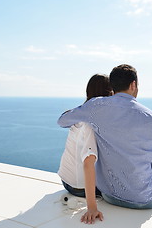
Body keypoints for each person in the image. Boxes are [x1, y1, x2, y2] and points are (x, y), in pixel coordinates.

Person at [58, 64, 152, 211]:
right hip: (144, 198)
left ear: (112, 85)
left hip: (110, 195)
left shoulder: (96, 107)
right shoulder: (151, 117)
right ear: (133, 84)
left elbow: (62, 121)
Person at [58, 74, 113, 224]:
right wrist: (92, 207)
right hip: (78, 187)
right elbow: (88, 163)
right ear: (109, 94)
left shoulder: (79, 116)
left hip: (67, 181)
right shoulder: (90, 124)